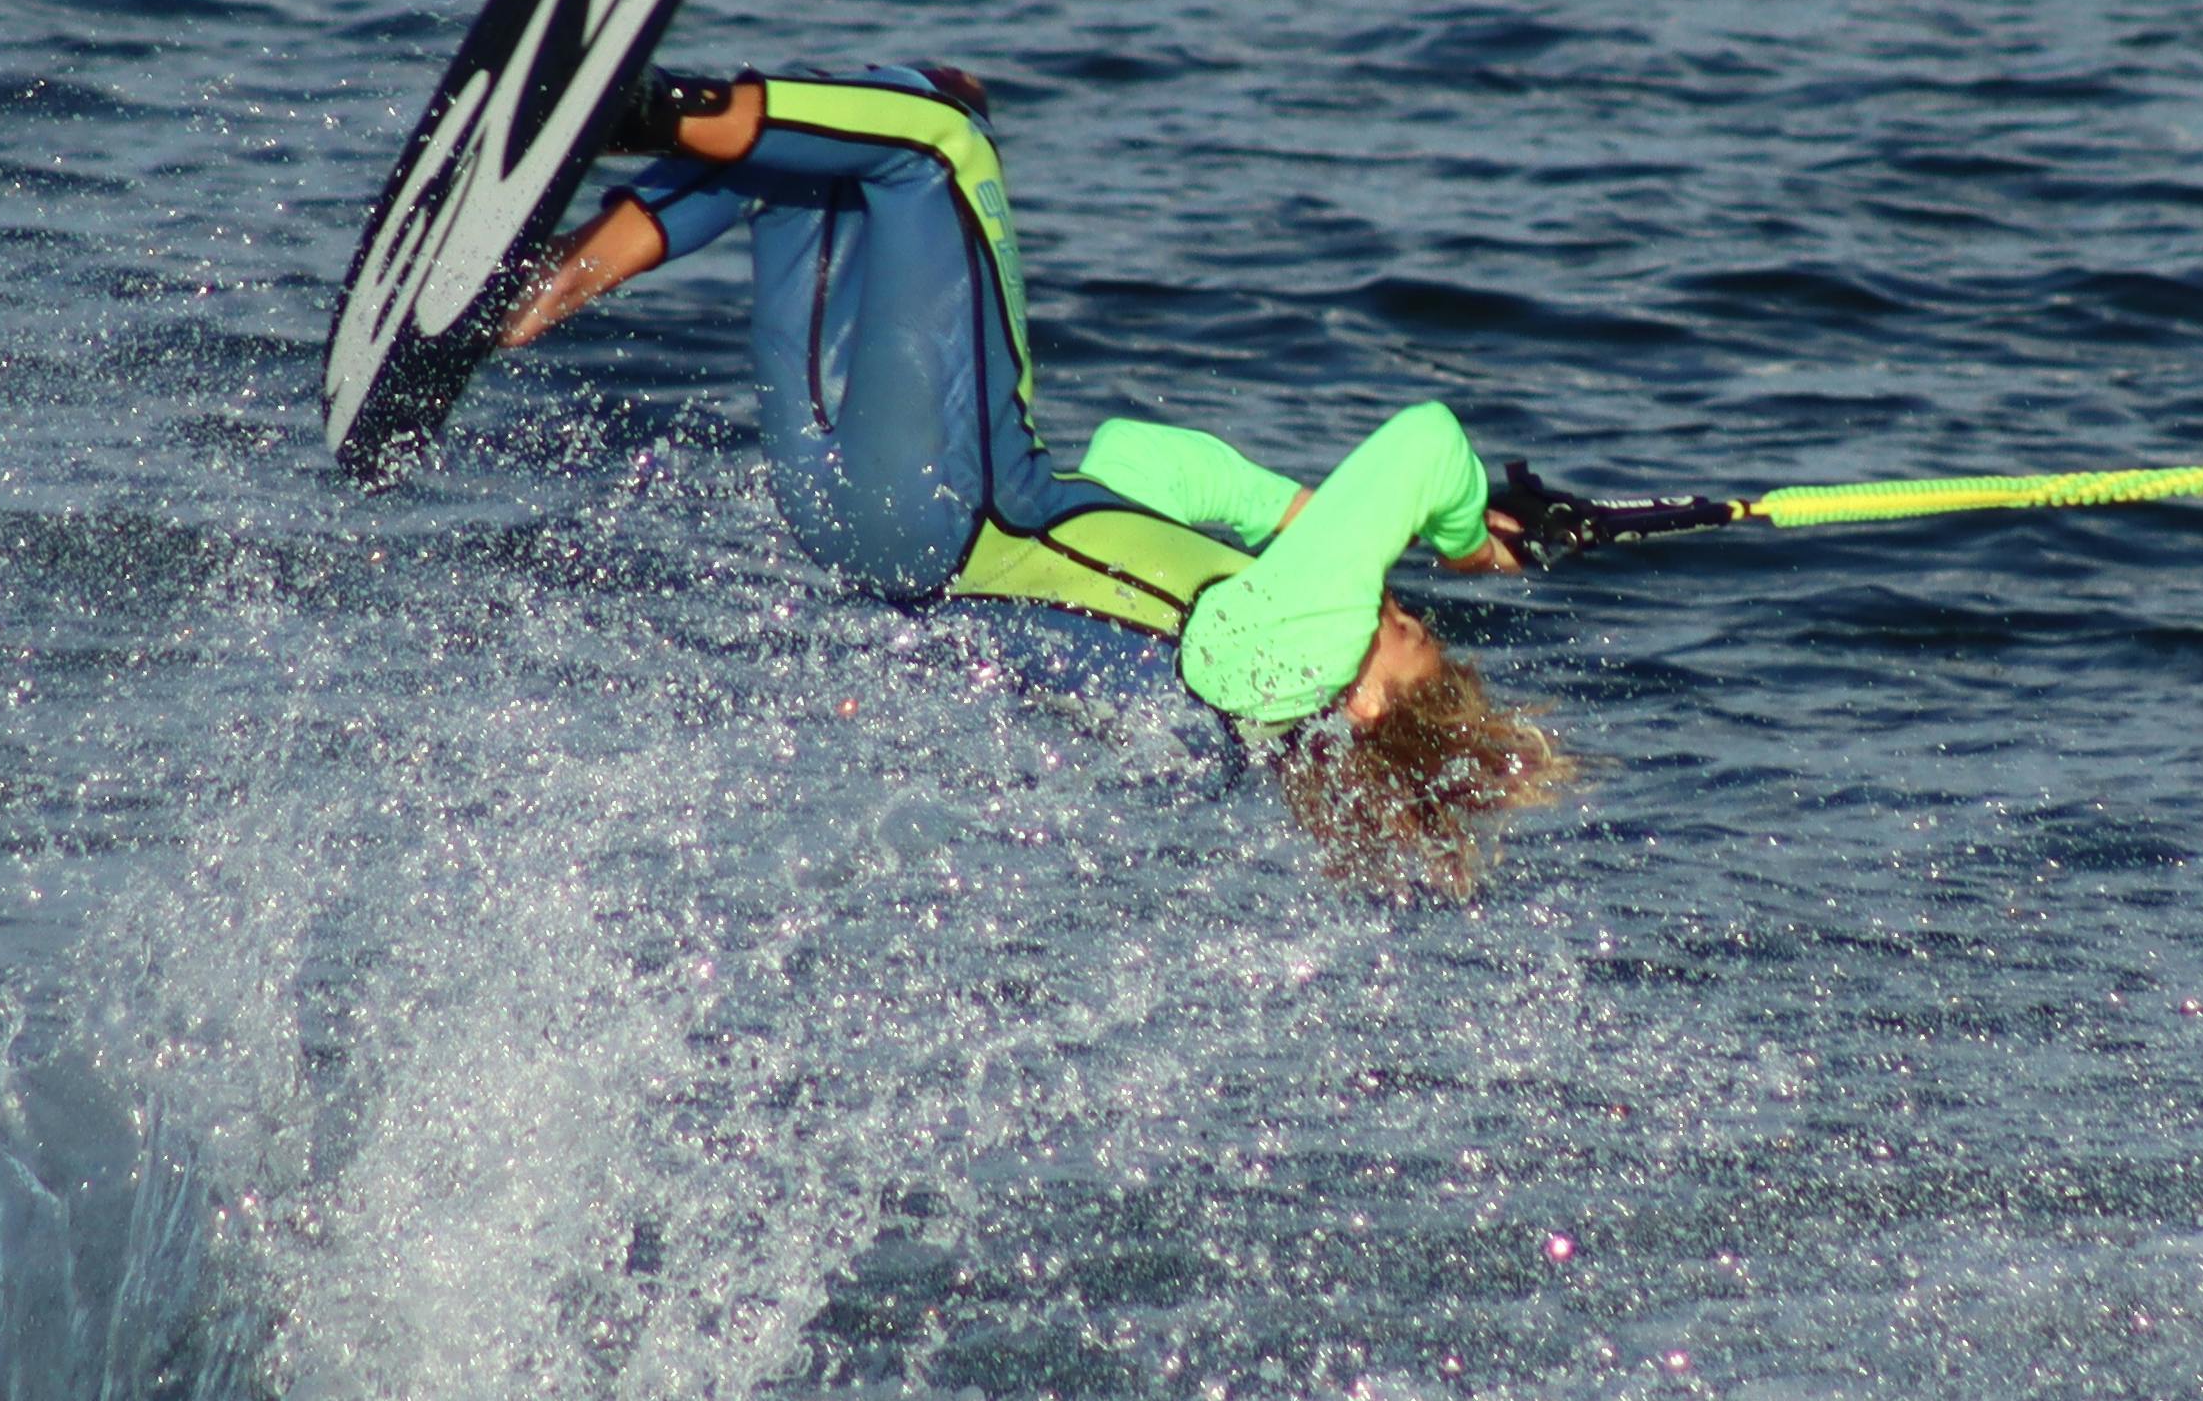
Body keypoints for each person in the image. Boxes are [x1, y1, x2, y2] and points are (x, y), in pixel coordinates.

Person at [481, 64, 1576, 872]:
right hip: (868, 530)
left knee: (943, 131)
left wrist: (1467, 538)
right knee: (814, 172)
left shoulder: (1301, 660)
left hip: (944, 503)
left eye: (1405, 636)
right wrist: (1295, 515)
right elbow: (1133, 465)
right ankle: (521, 304)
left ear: (1368, 711)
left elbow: (1427, 439)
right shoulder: (1239, 679)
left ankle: (623, 113)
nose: (1391, 609)